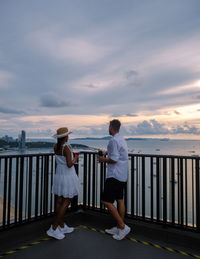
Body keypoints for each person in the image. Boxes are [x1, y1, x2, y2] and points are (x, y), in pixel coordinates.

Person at [98, 119, 130, 240]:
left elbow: (114, 159)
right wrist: (108, 152)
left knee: (106, 201)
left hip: (114, 175)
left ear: (111, 127)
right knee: (120, 200)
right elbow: (118, 154)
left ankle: (122, 226)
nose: (108, 128)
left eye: (109, 126)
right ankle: (119, 227)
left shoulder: (113, 140)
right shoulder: (121, 139)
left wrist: (102, 160)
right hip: (122, 175)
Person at [47, 127, 81, 240]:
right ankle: (53, 227)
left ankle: (61, 225)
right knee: (67, 201)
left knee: (59, 200)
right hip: (67, 175)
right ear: (66, 136)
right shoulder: (66, 147)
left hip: (59, 175)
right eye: (68, 135)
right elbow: (70, 164)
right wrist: (76, 157)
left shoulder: (56, 146)